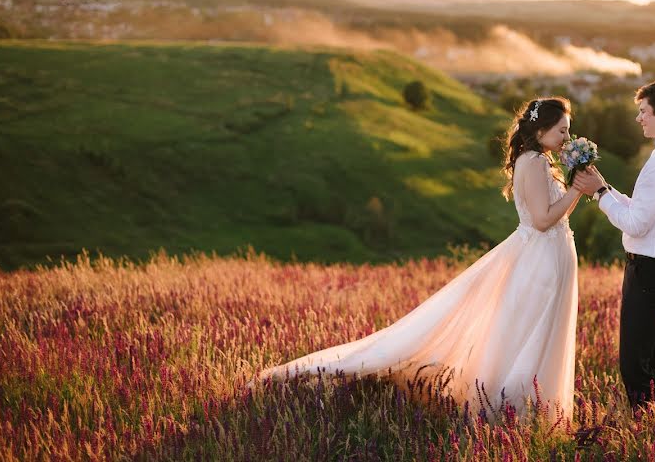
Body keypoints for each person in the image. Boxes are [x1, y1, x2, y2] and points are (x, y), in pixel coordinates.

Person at [248, 97, 584, 419]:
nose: (567, 137)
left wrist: (571, 186)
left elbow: (550, 215)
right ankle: (521, 408)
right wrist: (577, 189)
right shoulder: (536, 162)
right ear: (540, 131)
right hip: (541, 259)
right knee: (536, 331)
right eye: (562, 131)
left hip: (543, 256)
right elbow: (542, 220)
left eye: (568, 131)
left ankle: (522, 404)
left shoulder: (535, 160)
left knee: (529, 331)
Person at [573, 78, 655, 410]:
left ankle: (648, 435)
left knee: (634, 364)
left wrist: (598, 195)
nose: (639, 118)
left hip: (650, 270)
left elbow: (636, 223)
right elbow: (642, 209)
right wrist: (606, 187)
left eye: (644, 111)